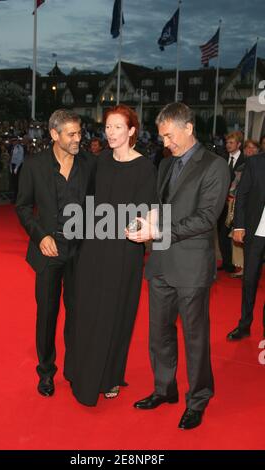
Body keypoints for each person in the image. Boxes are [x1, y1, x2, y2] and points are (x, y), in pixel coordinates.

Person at [127, 103, 230, 429]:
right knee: (158, 334)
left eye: (169, 136)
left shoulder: (215, 166)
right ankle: (164, 389)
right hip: (159, 263)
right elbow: (162, 207)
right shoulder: (166, 165)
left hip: (191, 267)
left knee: (195, 338)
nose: (165, 142)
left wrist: (157, 230)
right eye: (161, 137)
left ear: (188, 128)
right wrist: (145, 221)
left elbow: (206, 218)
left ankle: (198, 398)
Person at [64, 104, 157, 406]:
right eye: (108, 127)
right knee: (88, 311)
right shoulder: (100, 161)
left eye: (118, 127)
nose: (111, 132)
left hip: (122, 253)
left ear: (132, 131)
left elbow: (143, 212)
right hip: (92, 250)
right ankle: (83, 372)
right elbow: (87, 202)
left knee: (115, 314)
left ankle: (109, 377)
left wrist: (122, 228)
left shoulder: (145, 167)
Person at [16, 110, 96, 397]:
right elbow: (23, 207)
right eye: (71, 134)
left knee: (77, 314)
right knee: (47, 315)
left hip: (80, 251)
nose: (78, 139)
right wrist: (40, 236)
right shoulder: (34, 166)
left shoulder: (89, 164)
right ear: (54, 134)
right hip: (49, 252)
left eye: (79, 133)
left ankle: (73, 370)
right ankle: (46, 372)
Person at [227, 152, 265, 340]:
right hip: (256, 231)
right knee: (249, 280)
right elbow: (241, 195)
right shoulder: (255, 162)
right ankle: (244, 324)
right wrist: (239, 226)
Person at [217, 132, 245, 273]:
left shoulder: (245, 160)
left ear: (239, 144)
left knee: (231, 235)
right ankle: (228, 263)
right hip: (222, 203)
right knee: (221, 235)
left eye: (231, 143)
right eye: (227, 142)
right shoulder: (222, 159)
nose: (228, 145)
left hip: (237, 204)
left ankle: (237, 264)